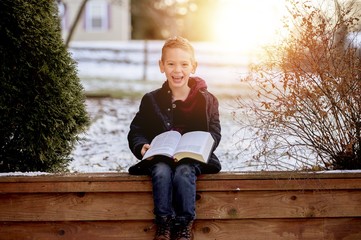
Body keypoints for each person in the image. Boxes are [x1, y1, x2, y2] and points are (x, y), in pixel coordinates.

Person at [127, 36, 221, 240]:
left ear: (193, 67)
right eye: (171, 64)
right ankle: (164, 223)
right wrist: (141, 145)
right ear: (162, 66)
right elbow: (137, 129)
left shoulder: (208, 101)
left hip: (193, 158)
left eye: (184, 64)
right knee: (161, 171)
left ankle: (184, 224)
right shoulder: (151, 99)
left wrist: (202, 146)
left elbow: (214, 132)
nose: (177, 70)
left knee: (184, 171)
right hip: (162, 156)